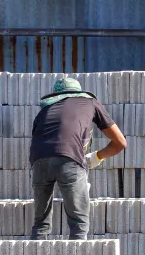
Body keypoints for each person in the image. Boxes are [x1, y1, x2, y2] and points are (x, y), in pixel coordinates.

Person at [28, 77, 127, 240]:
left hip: (39, 160)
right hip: (69, 158)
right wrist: (96, 157)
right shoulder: (90, 102)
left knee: (40, 225)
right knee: (78, 224)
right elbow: (120, 142)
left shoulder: (45, 110)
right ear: (79, 93)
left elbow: (38, 141)